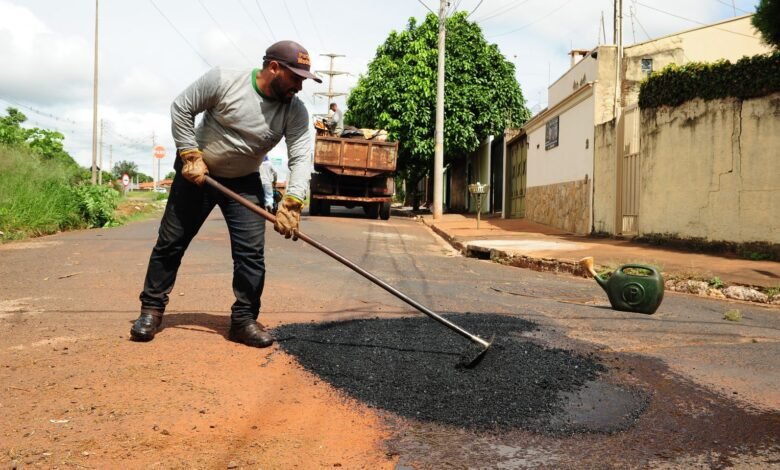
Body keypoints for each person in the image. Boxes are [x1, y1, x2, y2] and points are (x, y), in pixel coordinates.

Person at [130, 40, 322, 348]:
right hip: (198, 175)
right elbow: (182, 107)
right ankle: (151, 311)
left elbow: (300, 156)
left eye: (303, 79)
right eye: (295, 77)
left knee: (251, 255)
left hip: (244, 181)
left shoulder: (294, 111)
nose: (299, 86)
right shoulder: (224, 80)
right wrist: (190, 154)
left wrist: (294, 202)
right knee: (171, 243)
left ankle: (244, 321)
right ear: (273, 67)